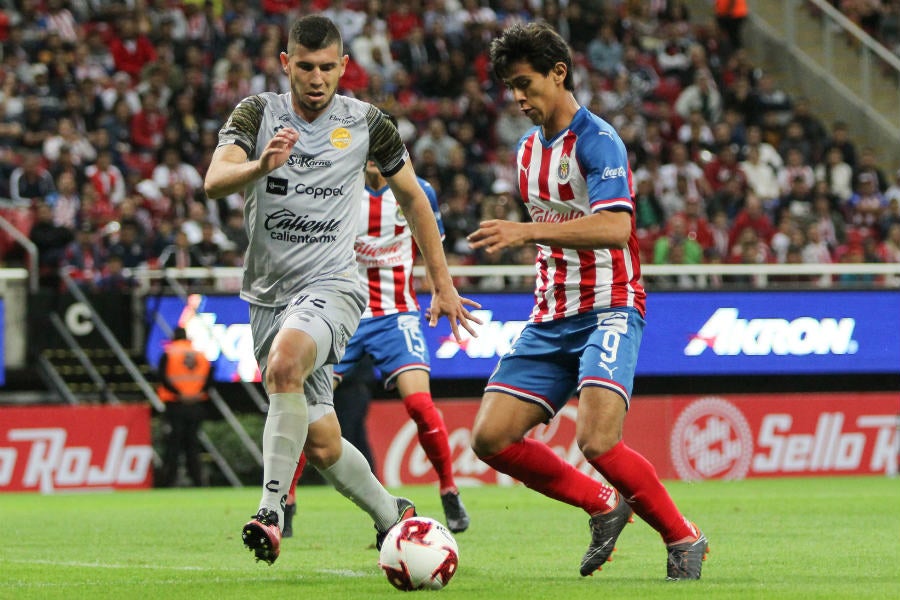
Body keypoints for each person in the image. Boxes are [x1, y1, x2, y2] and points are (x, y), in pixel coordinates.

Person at [203, 15, 480, 566]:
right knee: (323, 441)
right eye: (304, 66)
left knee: (285, 365)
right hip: (266, 297)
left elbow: (416, 200)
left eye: (327, 67)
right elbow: (213, 180)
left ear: (343, 67)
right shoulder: (256, 114)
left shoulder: (368, 124)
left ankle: (270, 508)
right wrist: (262, 165)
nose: (316, 77)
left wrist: (442, 284)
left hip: (333, 286)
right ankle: (393, 515)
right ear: (286, 64)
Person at [466, 23, 708, 581]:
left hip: (610, 306)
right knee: (490, 437)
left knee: (597, 439)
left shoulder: (599, 140)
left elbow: (616, 228)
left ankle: (684, 538)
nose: (519, 97)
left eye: (526, 83)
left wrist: (525, 233)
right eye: (510, 87)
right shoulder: (527, 149)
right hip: (551, 314)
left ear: (559, 72)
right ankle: (602, 504)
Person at [283, 154, 470, 536]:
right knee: (305, 406)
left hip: (396, 314)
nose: (371, 158)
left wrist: (440, 288)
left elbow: (432, 246)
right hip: (343, 315)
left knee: (420, 404)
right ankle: (285, 502)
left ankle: (449, 490)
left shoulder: (419, 193)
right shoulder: (337, 190)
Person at [156, 326, 214, 487]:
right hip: (196, 405)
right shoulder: (201, 355)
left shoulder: (169, 353)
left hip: (176, 404)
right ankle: (197, 480)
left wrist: (180, 394)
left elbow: (162, 377)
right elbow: (209, 380)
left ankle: (168, 481)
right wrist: (196, 394)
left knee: (173, 444)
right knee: (192, 444)